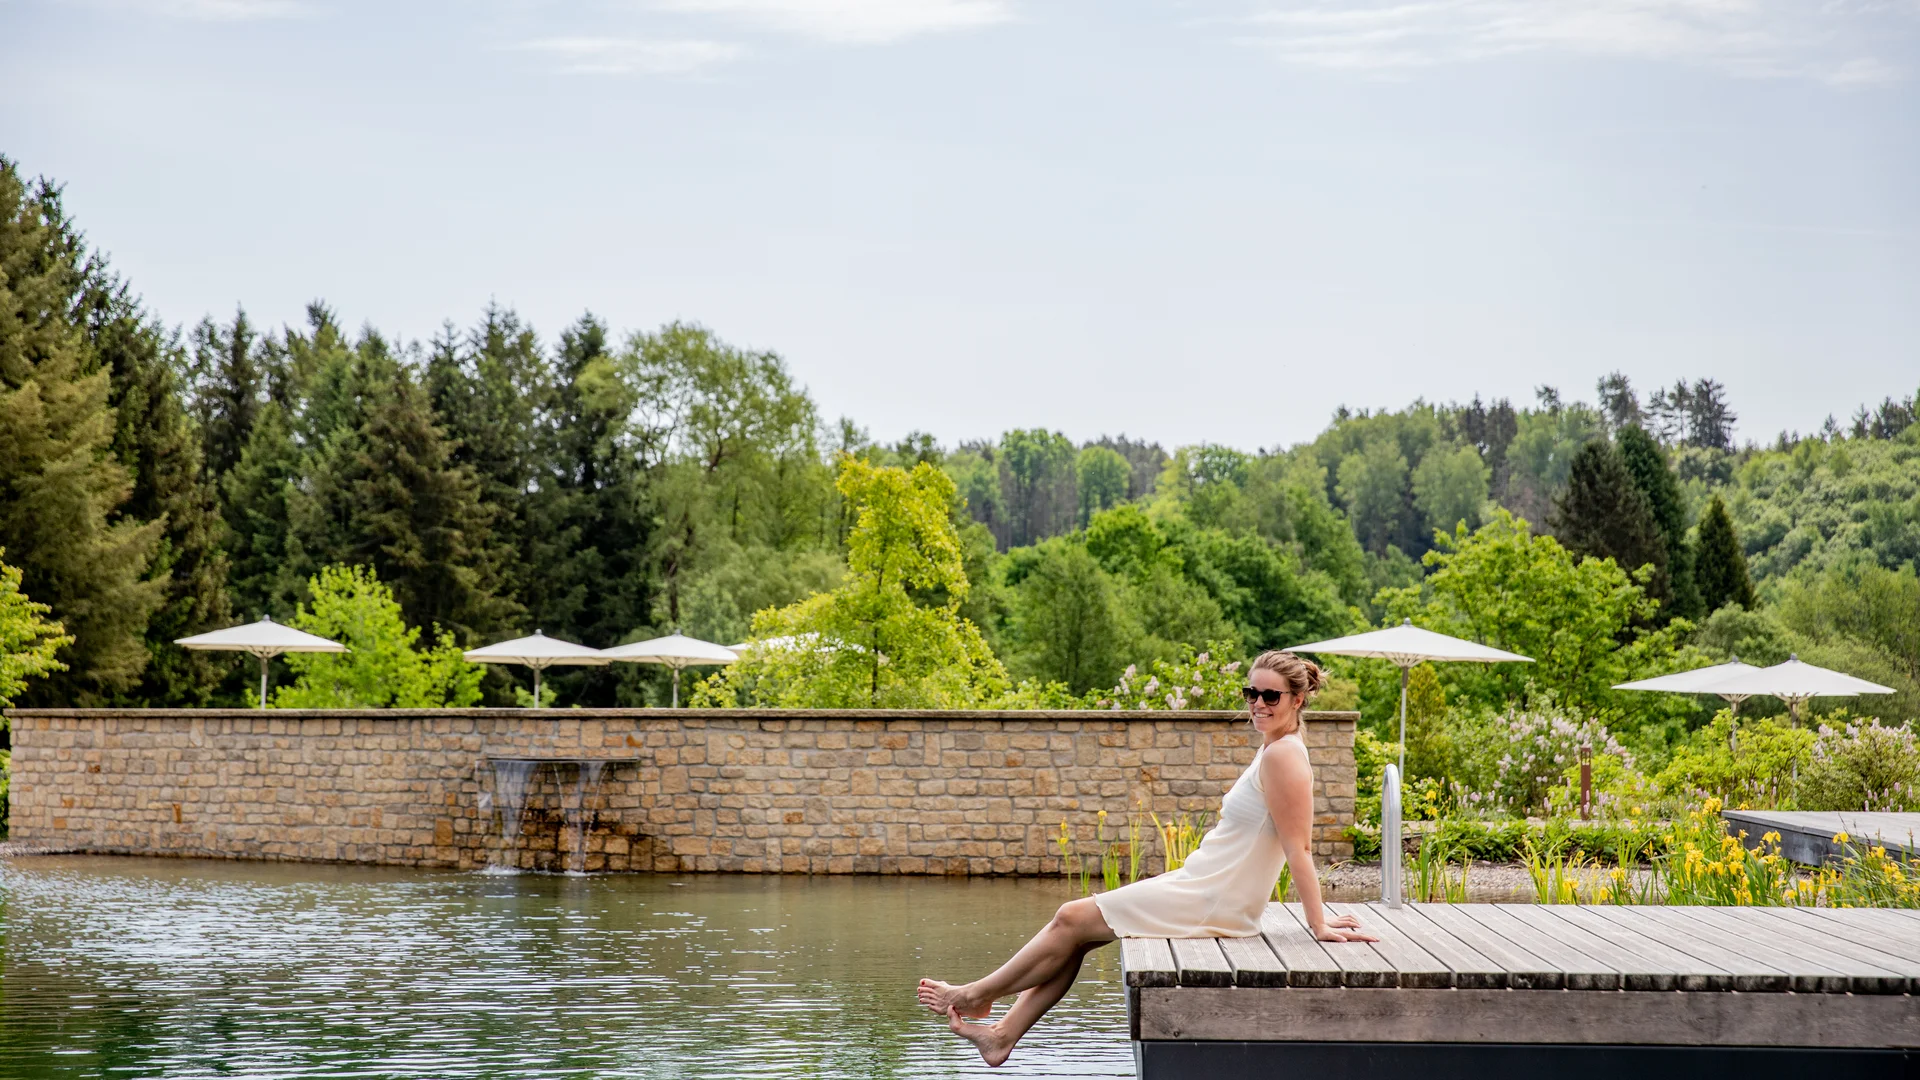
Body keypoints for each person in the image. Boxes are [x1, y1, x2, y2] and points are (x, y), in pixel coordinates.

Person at [916, 650, 1379, 1067]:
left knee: (1071, 917)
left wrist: (1318, 923)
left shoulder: (1284, 757)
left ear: (1297, 700)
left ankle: (978, 994)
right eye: (1251, 692)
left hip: (1214, 897)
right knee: (1078, 933)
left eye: (1270, 696)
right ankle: (1002, 1035)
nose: (1258, 703)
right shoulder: (1273, 748)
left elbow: (1297, 847)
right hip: (1204, 883)